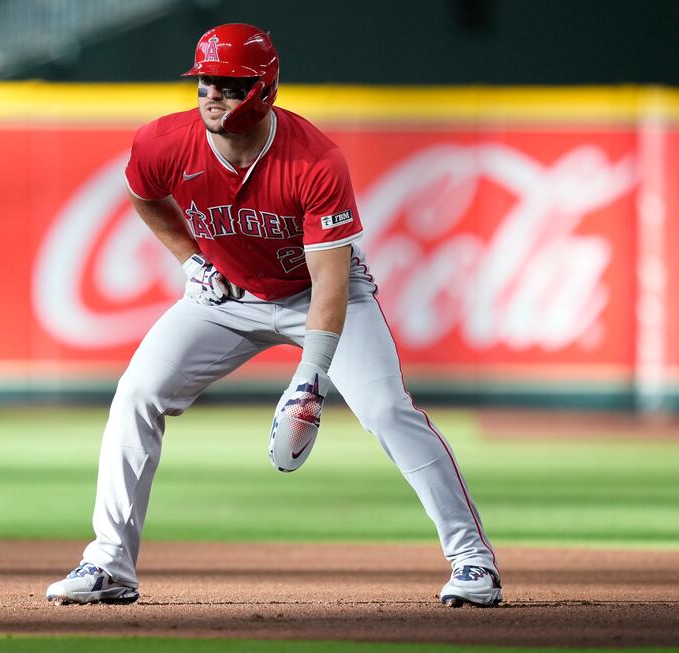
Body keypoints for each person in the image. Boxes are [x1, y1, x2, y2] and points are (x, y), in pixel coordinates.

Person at [46, 23, 502, 608]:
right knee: (137, 392)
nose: (213, 94)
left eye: (231, 85)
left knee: (388, 410)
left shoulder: (314, 160)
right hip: (227, 297)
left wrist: (309, 380)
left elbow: (332, 282)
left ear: (267, 90)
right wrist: (189, 260)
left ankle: (473, 562)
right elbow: (142, 192)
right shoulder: (164, 142)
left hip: (318, 294)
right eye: (206, 81)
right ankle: (109, 564)